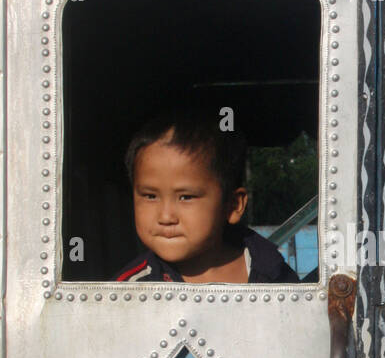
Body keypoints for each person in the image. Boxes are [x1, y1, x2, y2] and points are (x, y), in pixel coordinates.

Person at [115, 106, 299, 284]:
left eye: (186, 197)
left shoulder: (272, 272)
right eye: (150, 196)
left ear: (233, 206)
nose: (165, 217)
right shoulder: (129, 291)